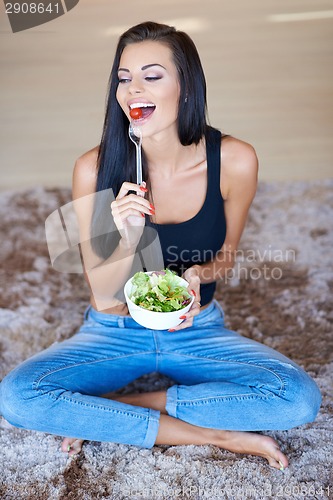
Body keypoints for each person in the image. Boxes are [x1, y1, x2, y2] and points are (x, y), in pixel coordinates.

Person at [0, 21, 321, 470]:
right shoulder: (94, 169)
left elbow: (226, 254)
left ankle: (113, 405)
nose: (133, 90)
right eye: (123, 78)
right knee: (18, 398)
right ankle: (210, 434)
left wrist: (197, 277)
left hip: (198, 328)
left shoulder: (234, 159)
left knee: (298, 400)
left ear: (186, 86)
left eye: (151, 76)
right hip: (113, 333)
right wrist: (127, 238)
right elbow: (106, 301)